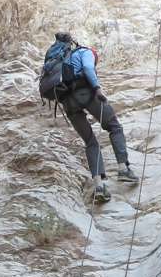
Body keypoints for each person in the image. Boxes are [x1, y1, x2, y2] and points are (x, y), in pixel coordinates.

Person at [39, 31, 137, 203]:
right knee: (114, 127)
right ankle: (123, 169)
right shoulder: (85, 52)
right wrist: (97, 88)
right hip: (86, 94)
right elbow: (88, 68)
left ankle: (99, 187)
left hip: (68, 103)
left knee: (90, 142)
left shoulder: (59, 61)